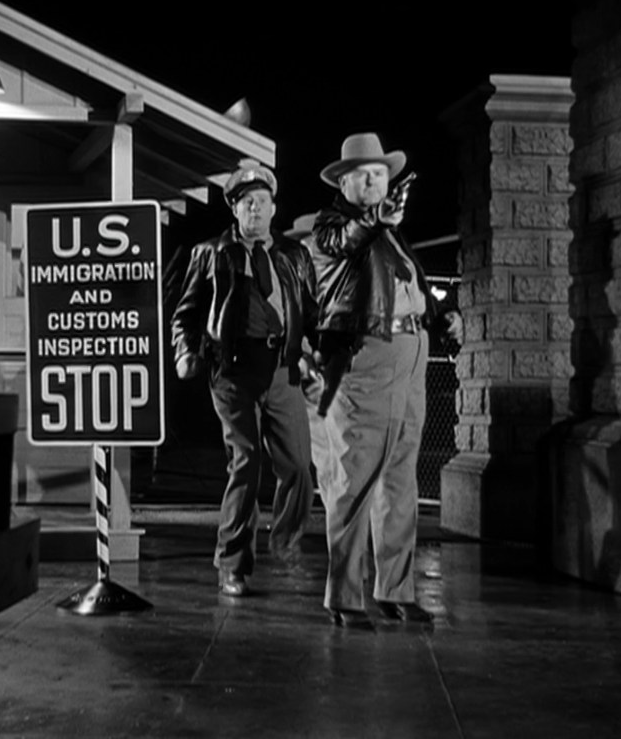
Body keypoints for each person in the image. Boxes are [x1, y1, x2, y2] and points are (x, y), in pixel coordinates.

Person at [302, 133, 462, 629]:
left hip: (410, 356)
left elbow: (405, 285)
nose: (374, 183)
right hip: (365, 359)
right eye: (364, 175)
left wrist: (439, 317)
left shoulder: (389, 232)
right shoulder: (332, 227)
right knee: (354, 481)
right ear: (343, 181)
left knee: (400, 480)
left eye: (381, 174)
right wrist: (376, 221)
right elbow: (345, 244)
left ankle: (395, 590)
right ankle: (345, 597)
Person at [171, 158, 319, 597]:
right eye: (246, 202)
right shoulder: (210, 253)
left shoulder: (294, 256)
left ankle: (285, 540)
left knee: (298, 466)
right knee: (247, 464)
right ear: (234, 211)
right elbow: (187, 314)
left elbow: (309, 313)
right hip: (233, 371)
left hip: (281, 368)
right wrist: (186, 352)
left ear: (275, 208)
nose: (255, 209)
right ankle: (233, 563)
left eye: (263, 201)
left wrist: (320, 355)